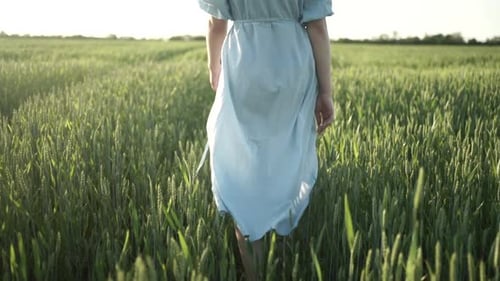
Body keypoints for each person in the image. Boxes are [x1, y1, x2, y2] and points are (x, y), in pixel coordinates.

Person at [198, 0, 334, 280]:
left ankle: (254, 269)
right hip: (292, 63)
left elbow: (216, 23)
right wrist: (326, 92)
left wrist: (215, 67)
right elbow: (317, 27)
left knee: (243, 166)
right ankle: (283, 260)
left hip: (243, 62)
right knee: (285, 158)